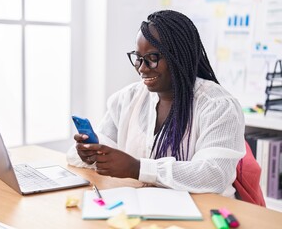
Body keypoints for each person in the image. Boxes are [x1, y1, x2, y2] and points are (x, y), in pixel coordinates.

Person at [67, 10, 245, 198]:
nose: (142, 68)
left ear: (179, 57)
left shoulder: (218, 106)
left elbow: (213, 175)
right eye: (138, 58)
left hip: (206, 214)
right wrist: (90, 154)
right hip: (145, 209)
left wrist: (137, 168)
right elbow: (83, 152)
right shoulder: (127, 98)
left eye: (152, 58)